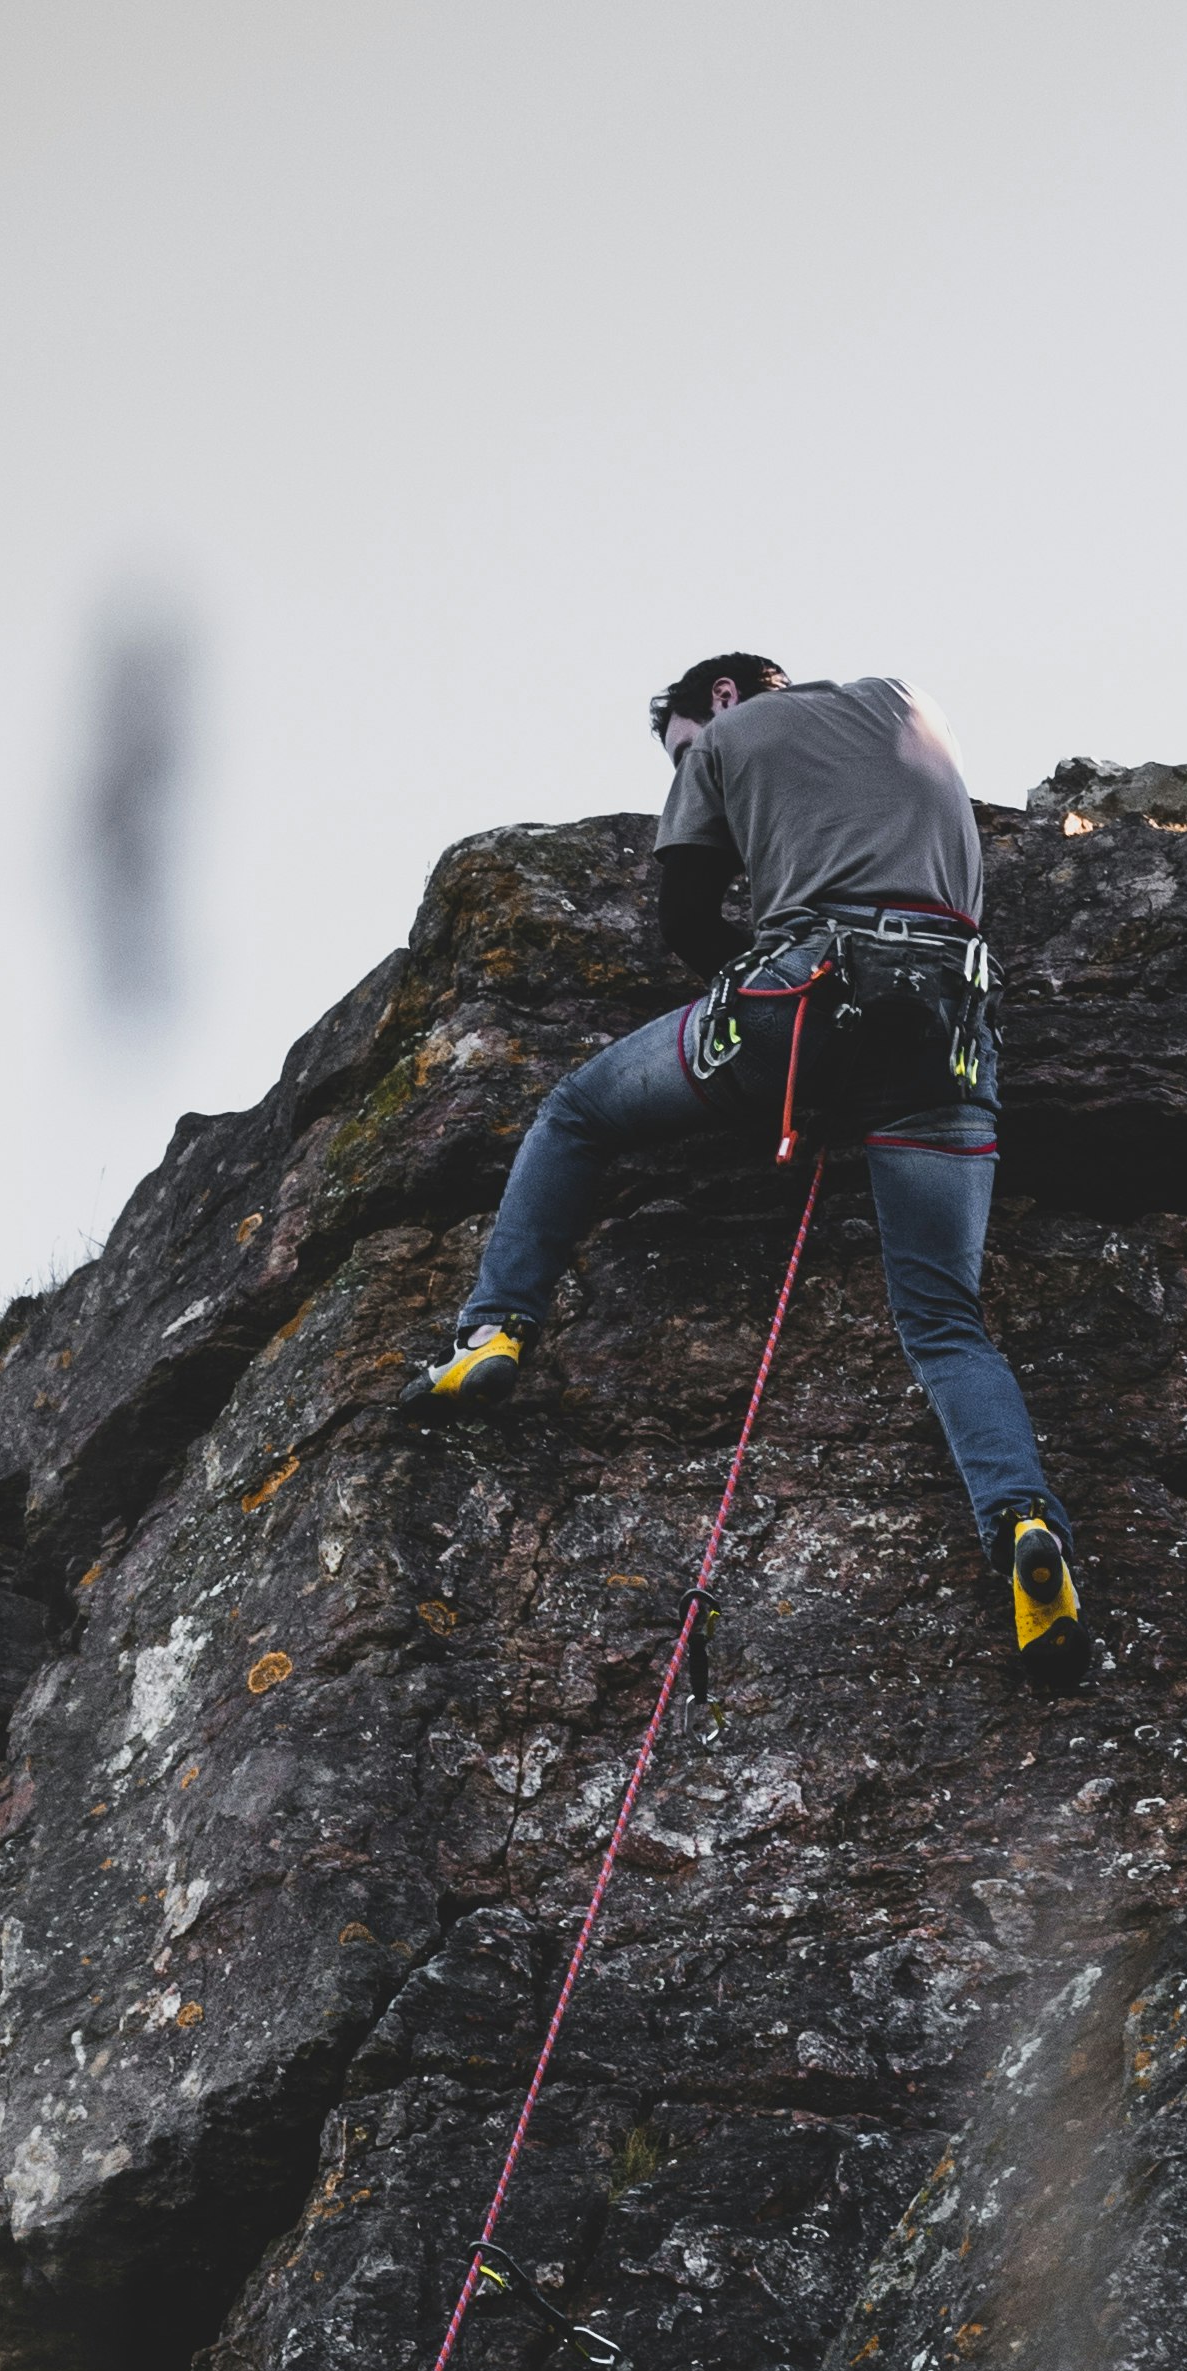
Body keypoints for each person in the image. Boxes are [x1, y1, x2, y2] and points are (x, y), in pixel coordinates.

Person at [411, 656, 1083, 1675]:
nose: (685, 769)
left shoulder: (724, 738)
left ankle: (491, 1332)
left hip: (806, 997)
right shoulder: (909, 702)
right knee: (946, 1322)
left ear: (718, 699)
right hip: (948, 1029)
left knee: (577, 1111)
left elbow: (687, 918)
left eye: (678, 749)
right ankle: (1028, 1528)